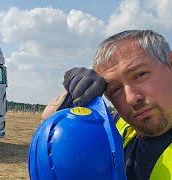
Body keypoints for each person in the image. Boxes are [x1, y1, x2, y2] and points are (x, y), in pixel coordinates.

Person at [42, 30, 172, 180]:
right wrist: (73, 94)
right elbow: (47, 122)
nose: (130, 98)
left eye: (140, 75)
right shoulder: (121, 127)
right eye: (116, 89)